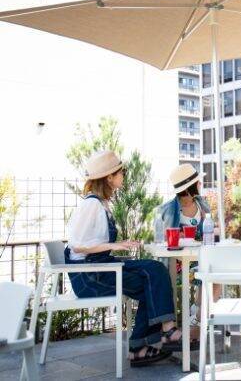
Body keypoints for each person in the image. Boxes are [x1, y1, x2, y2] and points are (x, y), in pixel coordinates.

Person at [65, 151, 185, 367]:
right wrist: (114, 245)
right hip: (89, 276)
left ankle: (153, 339)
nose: (124, 175)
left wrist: (119, 244)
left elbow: (93, 242)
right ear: (109, 177)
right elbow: (77, 245)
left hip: (100, 267)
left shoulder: (101, 203)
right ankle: (147, 342)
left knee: (155, 270)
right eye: (122, 172)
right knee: (152, 281)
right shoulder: (91, 204)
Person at [157, 164, 220, 336]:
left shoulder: (203, 205)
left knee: (217, 273)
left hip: (200, 258)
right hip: (178, 263)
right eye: (197, 182)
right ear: (189, 187)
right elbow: (164, 240)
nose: (200, 184)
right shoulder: (169, 209)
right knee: (208, 273)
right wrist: (181, 235)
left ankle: (198, 316)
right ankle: (197, 320)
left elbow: (210, 230)